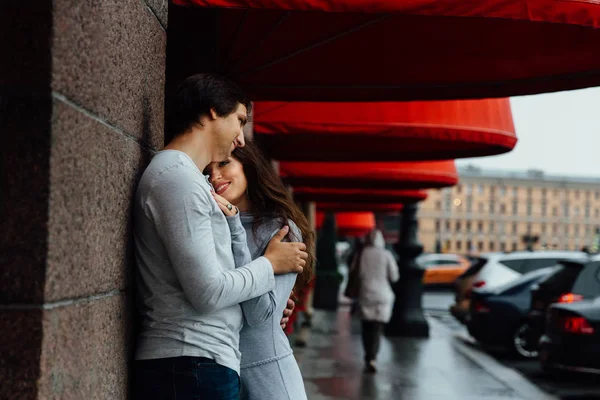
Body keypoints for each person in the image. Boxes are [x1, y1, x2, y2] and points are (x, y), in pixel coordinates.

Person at [132, 74, 308, 400]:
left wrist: (274, 299)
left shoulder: (187, 181)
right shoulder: (179, 180)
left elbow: (222, 291)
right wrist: (268, 267)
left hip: (202, 364)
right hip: (192, 363)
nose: (241, 138)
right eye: (240, 121)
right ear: (214, 111)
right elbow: (209, 292)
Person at [205, 141, 314, 400]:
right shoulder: (209, 222)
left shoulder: (280, 228)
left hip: (268, 375)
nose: (215, 176)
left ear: (248, 166)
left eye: (223, 163)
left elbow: (259, 317)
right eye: (207, 170)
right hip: (219, 372)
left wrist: (235, 230)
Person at [356, 229, 399, 373]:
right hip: (382, 295)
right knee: (377, 328)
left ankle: (368, 356)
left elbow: (359, 273)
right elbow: (394, 276)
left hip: (365, 294)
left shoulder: (362, 254)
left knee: (366, 327)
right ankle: (373, 357)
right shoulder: (386, 254)